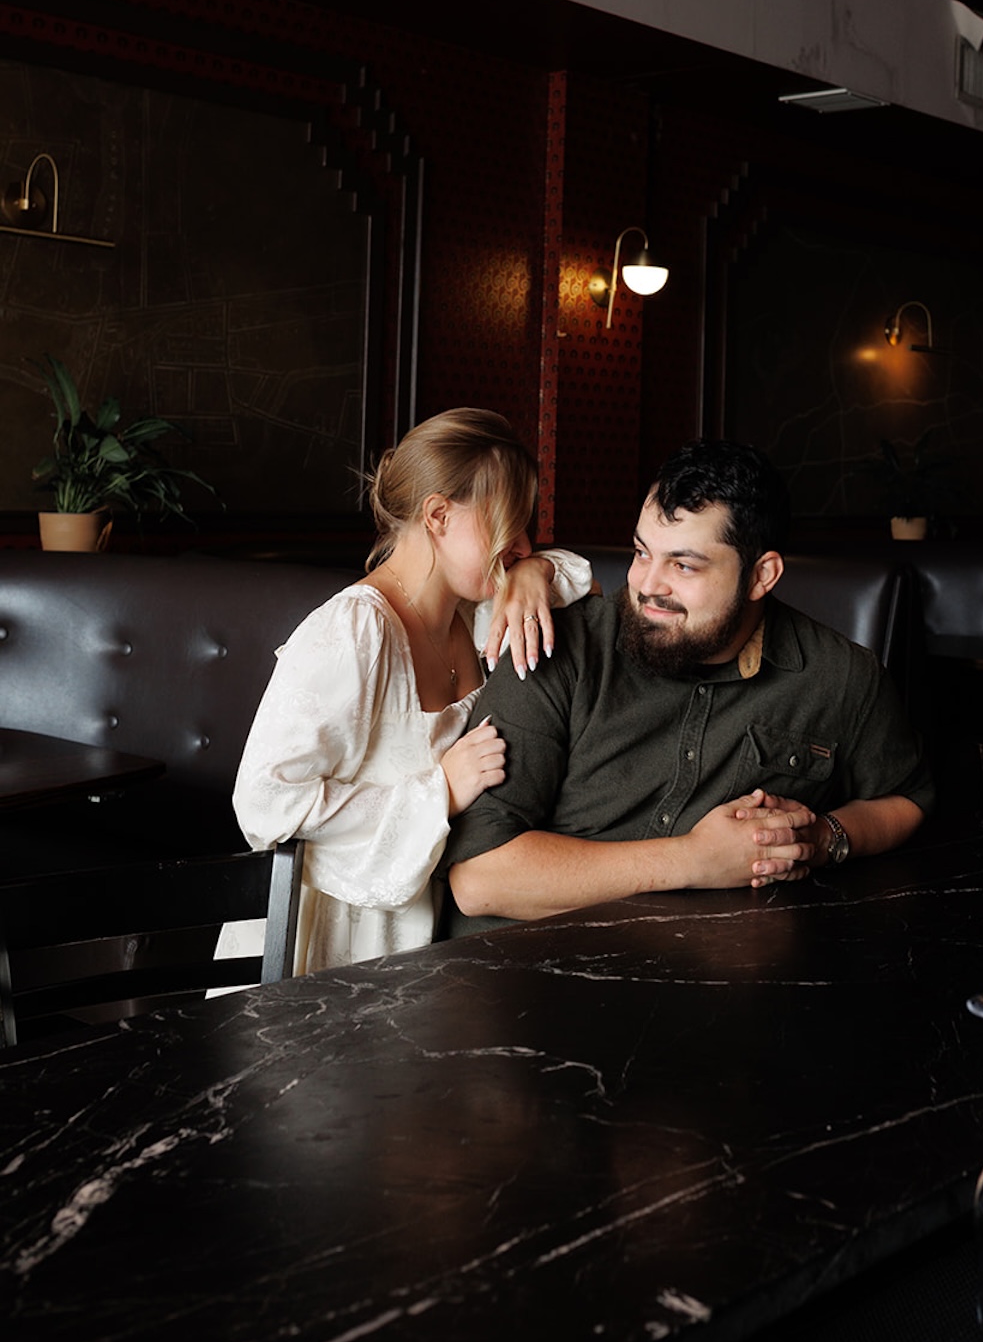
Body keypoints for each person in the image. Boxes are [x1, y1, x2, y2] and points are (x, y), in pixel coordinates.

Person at [444, 439, 931, 936]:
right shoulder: (555, 647)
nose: (648, 585)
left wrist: (824, 838)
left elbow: (908, 799)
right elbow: (480, 878)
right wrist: (695, 860)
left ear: (762, 575)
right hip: (519, 975)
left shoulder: (841, 675)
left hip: (713, 980)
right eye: (641, 553)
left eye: (683, 565)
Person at [220, 408, 591, 975]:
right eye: (506, 525)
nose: (519, 542)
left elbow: (579, 578)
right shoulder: (356, 629)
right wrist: (437, 791)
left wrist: (532, 571)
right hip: (331, 940)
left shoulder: (480, 613)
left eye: (527, 527)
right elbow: (264, 803)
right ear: (439, 515)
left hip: (438, 930)